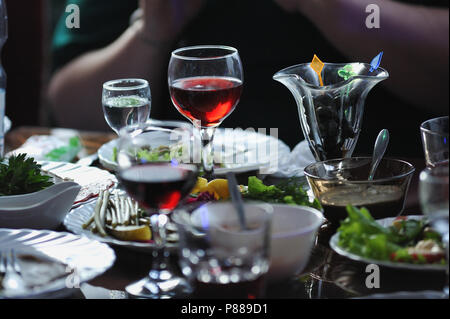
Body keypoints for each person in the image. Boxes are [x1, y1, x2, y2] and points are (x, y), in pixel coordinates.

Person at [47, 0, 448, 157]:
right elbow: (72, 108)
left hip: (380, 192)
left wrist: (335, 9)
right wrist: (151, 30)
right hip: (187, 191)